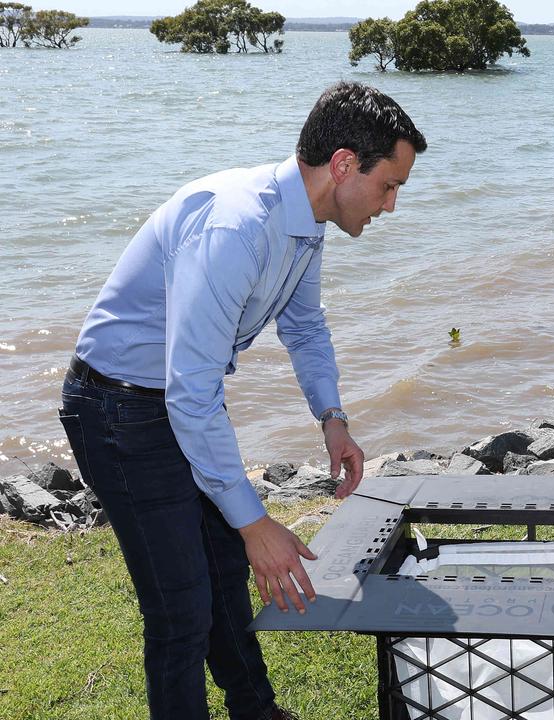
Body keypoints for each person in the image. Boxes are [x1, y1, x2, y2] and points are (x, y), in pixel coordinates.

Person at [57, 81, 427, 720]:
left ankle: (257, 712)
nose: (391, 205)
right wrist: (256, 524)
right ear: (343, 165)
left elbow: (305, 326)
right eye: (389, 185)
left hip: (173, 400)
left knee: (225, 577)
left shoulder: (304, 223)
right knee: (180, 608)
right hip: (116, 409)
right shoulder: (235, 225)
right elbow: (191, 388)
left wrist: (332, 419)